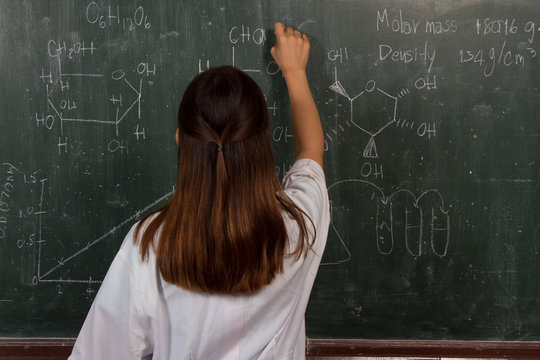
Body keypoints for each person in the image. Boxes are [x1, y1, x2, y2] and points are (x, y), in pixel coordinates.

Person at [69, 22, 329, 360]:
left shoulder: (150, 246)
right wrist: (294, 71)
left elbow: (100, 353)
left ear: (181, 142)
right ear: (265, 141)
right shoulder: (298, 227)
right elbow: (310, 152)